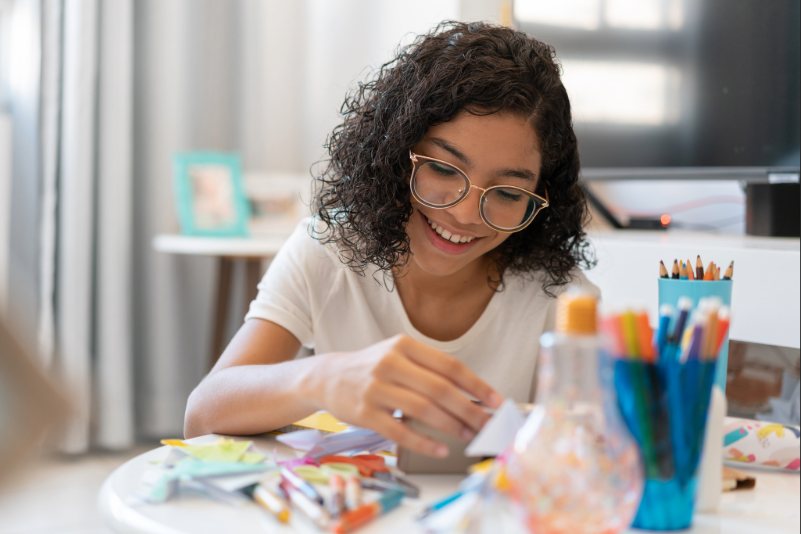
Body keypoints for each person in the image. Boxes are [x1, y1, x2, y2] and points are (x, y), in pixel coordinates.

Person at [184, 21, 597, 458]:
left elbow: (589, 452)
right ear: (396, 151)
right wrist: (324, 378)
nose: (464, 213)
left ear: (539, 199)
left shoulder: (564, 299)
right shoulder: (331, 250)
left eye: (509, 193)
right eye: (442, 169)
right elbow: (201, 416)